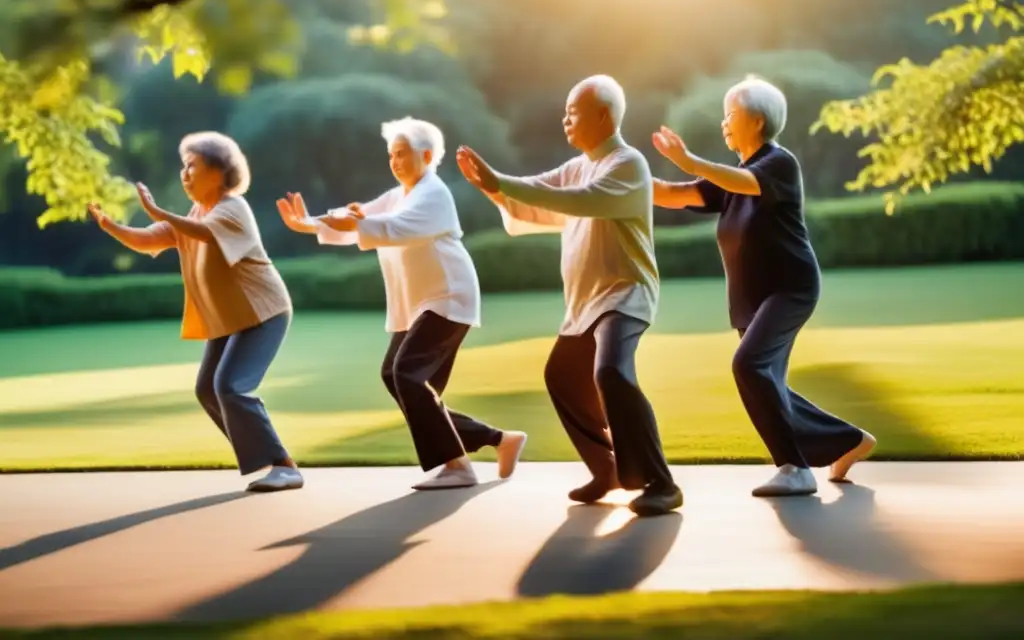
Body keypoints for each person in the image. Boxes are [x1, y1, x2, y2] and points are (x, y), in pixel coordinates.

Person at [457, 75, 683, 517]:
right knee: (561, 376)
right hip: (585, 303)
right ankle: (607, 469)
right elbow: (537, 199)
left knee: (612, 374)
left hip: (625, 294)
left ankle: (662, 482)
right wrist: (491, 186)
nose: (565, 120)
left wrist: (500, 180)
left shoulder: (627, 163)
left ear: (603, 116)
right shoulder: (577, 165)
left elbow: (577, 201)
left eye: (573, 112)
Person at [650, 75, 876, 497]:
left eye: (730, 114)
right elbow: (676, 195)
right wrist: (618, 186)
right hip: (750, 300)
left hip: (788, 290)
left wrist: (692, 161)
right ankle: (848, 440)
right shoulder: (733, 175)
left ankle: (795, 468)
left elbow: (745, 185)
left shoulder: (777, 163)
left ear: (756, 121)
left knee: (749, 366)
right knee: (767, 380)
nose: (723, 123)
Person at [276, 117, 527, 491]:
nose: (394, 161)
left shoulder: (433, 194)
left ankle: (457, 466)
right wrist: (310, 224)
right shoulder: (399, 194)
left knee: (408, 376)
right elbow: (359, 217)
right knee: (398, 377)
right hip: (419, 303)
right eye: (391, 154)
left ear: (426, 155)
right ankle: (498, 439)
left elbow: (392, 227)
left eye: (402, 154)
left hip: (448, 297)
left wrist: (351, 223)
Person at [88, 131, 303, 492]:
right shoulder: (194, 213)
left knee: (231, 387)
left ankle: (282, 465)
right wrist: (109, 225)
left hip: (263, 312)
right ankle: (265, 455)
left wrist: (159, 211)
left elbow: (203, 233)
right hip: (229, 318)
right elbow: (148, 239)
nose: (184, 173)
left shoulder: (232, 208)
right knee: (207, 389)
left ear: (220, 173)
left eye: (193, 166)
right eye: (183, 167)